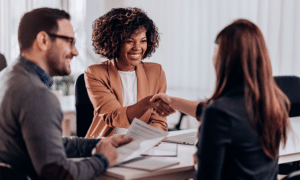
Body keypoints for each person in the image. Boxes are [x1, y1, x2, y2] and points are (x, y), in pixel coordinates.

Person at [0, 7, 132, 180]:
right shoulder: (36, 94)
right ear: (43, 40)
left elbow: (47, 144)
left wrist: (100, 143)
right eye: (70, 41)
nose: (75, 51)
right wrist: (102, 160)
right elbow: (58, 173)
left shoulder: (8, 76)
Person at [151, 19, 291, 180]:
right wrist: (172, 101)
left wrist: (200, 161)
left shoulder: (219, 113)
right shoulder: (272, 105)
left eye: (217, 50)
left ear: (226, 60)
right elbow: (215, 112)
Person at [85, 7, 175, 138]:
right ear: (114, 42)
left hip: (142, 146)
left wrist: (146, 143)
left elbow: (159, 121)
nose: (137, 48)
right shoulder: (95, 73)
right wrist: (148, 102)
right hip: (106, 146)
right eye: (130, 41)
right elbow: (115, 116)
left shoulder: (156, 72)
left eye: (143, 41)